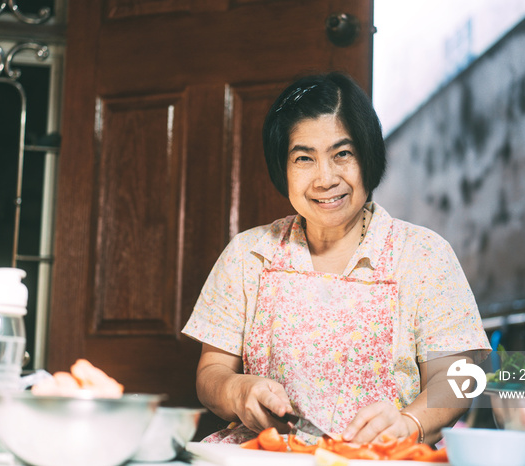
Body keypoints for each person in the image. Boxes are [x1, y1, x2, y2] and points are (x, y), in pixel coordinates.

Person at [182, 72, 491, 446]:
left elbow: (458, 376)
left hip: (383, 458)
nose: (325, 178)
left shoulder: (424, 255)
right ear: (283, 167)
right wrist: (236, 390)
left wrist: (411, 422)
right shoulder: (249, 255)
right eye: (303, 158)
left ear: (368, 156)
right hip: (265, 454)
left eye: (342, 154)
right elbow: (210, 373)